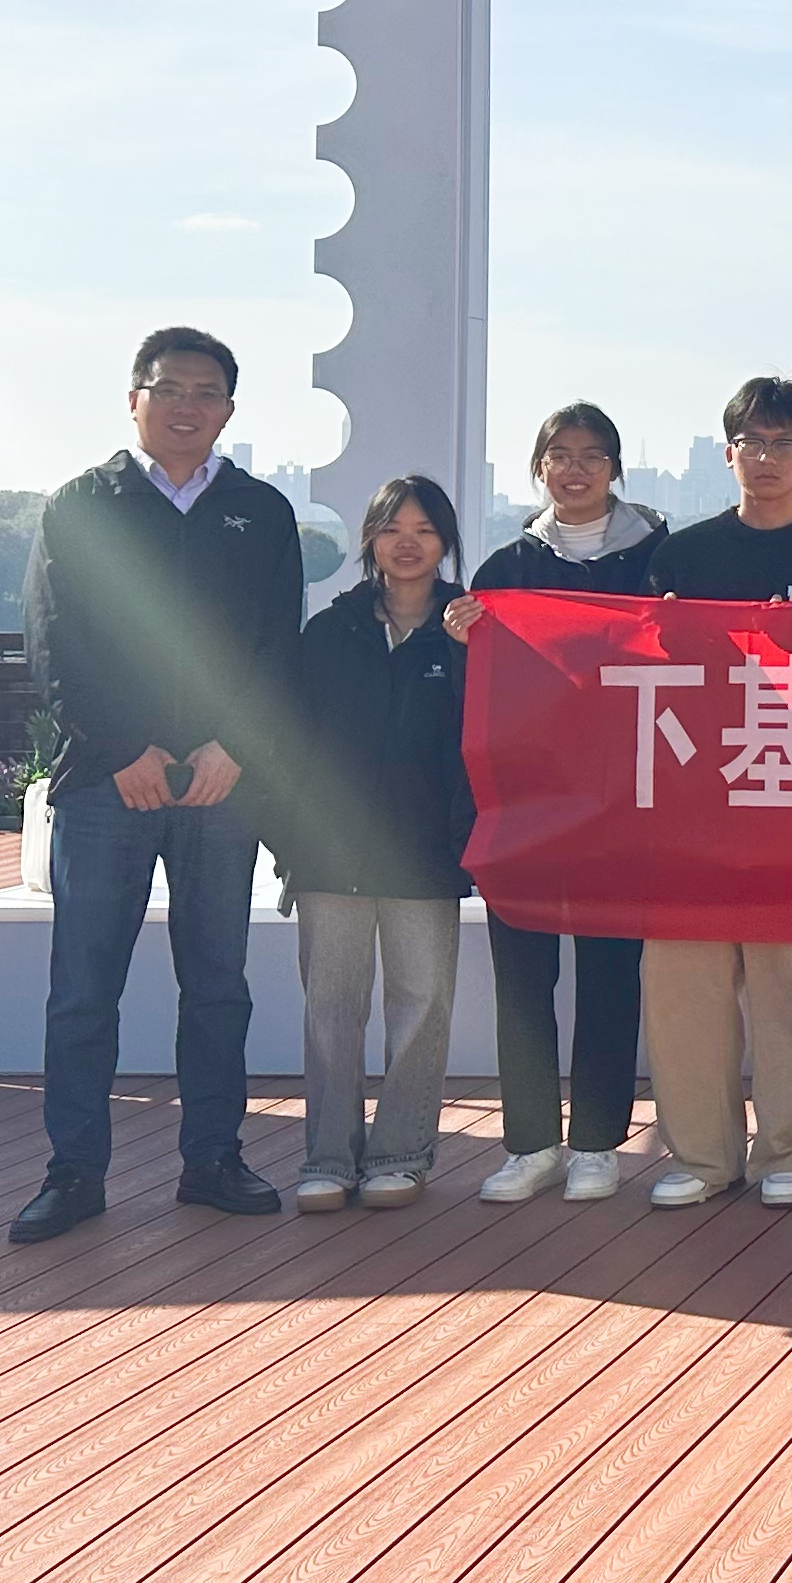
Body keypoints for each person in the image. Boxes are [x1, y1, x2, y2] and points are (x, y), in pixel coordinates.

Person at [8, 327, 308, 1245]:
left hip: (223, 784)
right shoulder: (82, 505)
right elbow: (53, 639)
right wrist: (120, 751)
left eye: (206, 392)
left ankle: (213, 1159)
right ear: (133, 399)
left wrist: (233, 747)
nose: (187, 405)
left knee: (217, 984)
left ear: (229, 409)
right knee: (83, 988)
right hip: (109, 783)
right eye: (169, 388)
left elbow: (277, 646)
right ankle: (73, 1171)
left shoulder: (260, 511)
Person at [637, 376, 792, 1208]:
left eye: (786, 443)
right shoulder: (680, 558)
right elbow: (629, 667)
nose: (768, 457)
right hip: (692, 799)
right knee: (686, 982)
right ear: (728, 453)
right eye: (753, 441)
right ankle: (702, 1156)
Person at [445, 402, 665, 1204]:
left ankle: (599, 1142)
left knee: (610, 974)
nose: (576, 469)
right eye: (560, 455)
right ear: (539, 467)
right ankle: (531, 1141)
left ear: (615, 469)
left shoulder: (657, 561)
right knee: (523, 976)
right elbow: (477, 693)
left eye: (592, 455)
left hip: (623, 801)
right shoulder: (505, 569)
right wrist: (461, 637)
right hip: (528, 802)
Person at [276, 477, 474, 1211]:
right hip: (331, 852)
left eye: (424, 530)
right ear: (370, 540)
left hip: (425, 852)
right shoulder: (332, 631)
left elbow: (491, 730)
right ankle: (327, 1156)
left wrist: (466, 652)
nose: (407, 543)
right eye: (393, 529)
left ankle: (401, 1153)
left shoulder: (469, 631)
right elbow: (290, 739)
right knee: (331, 1012)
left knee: (420, 1008)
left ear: (445, 541)